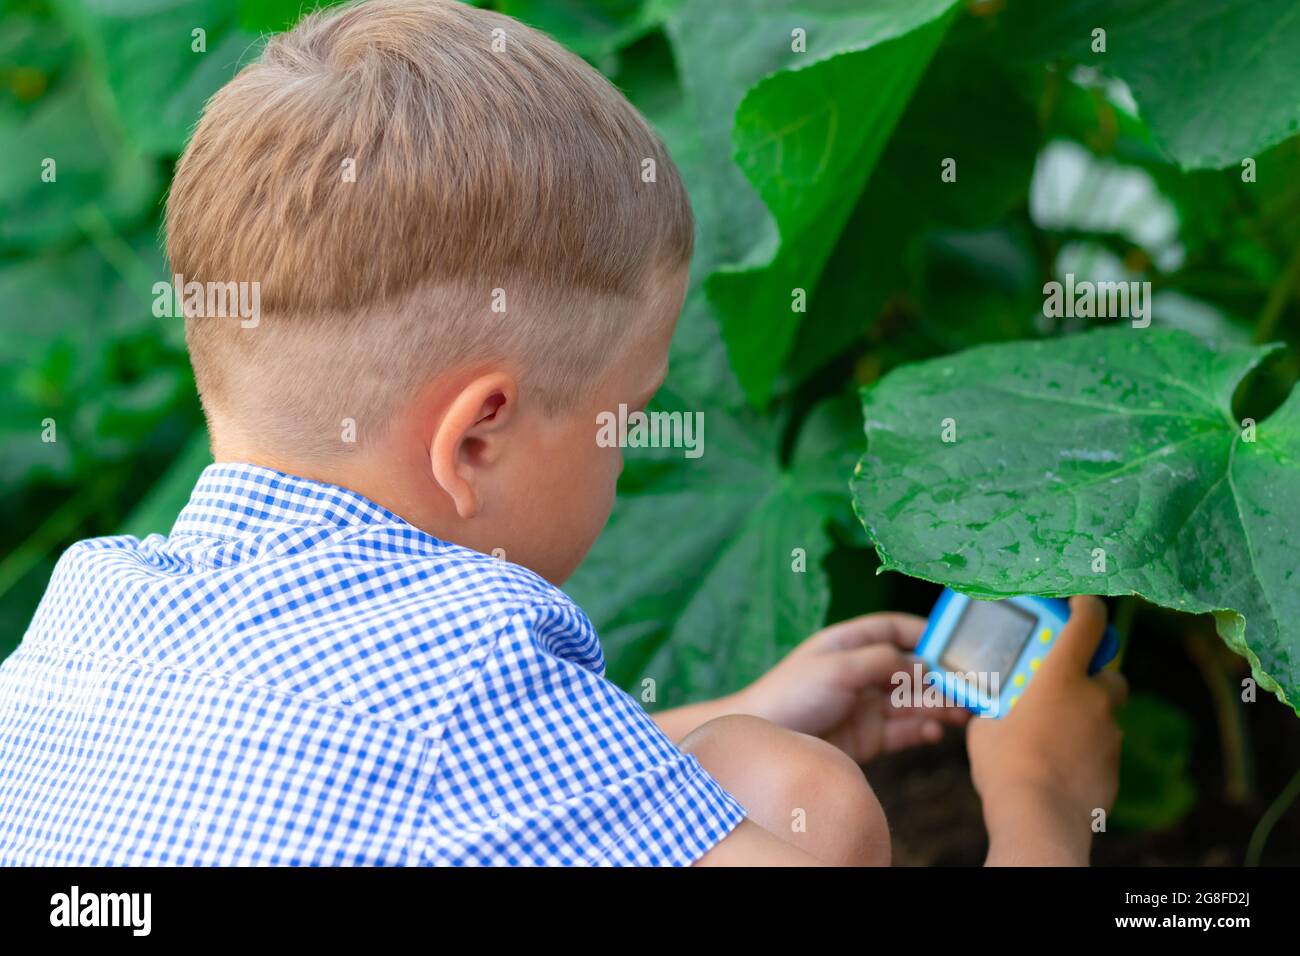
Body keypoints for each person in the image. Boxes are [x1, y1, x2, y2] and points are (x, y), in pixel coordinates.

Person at [0, 0, 1125, 866]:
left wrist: (724, 708)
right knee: (803, 796)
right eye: (622, 419)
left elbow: (352, 770)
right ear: (475, 438)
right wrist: (1039, 803)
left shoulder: (86, 606)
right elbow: (448, 751)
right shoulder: (474, 656)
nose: (627, 450)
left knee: (742, 748)